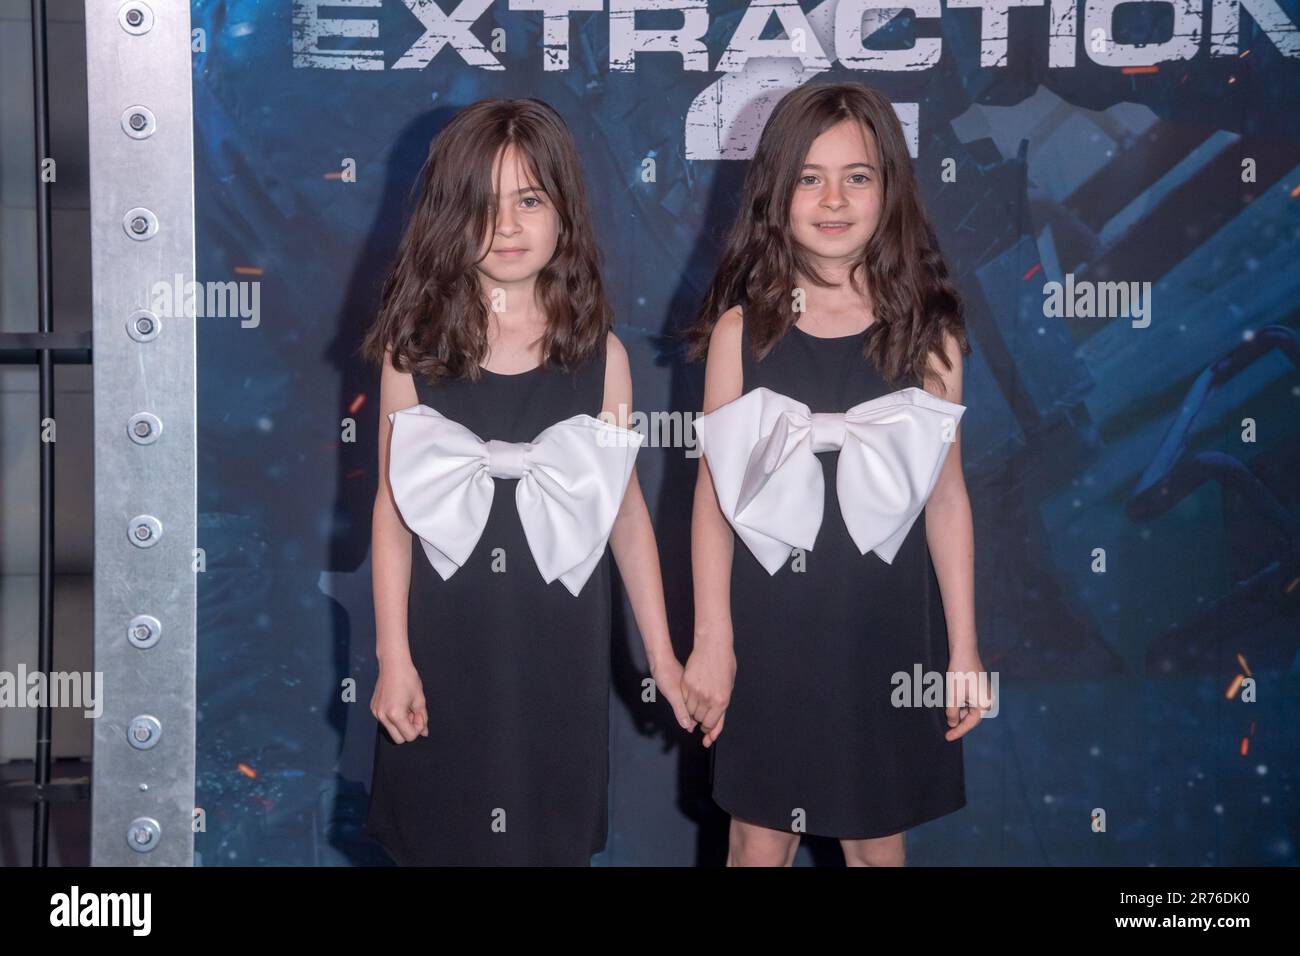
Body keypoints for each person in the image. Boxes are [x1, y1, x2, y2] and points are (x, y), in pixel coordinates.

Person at [358, 98, 691, 866]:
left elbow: (625, 512)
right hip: (444, 649)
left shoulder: (600, 354)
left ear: (564, 213)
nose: (506, 226)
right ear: (450, 215)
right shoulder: (412, 351)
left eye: (530, 200)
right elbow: (391, 511)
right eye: (485, 204)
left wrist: (664, 657)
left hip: (559, 654)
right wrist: (394, 658)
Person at [683, 81, 987, 867]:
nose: (833, 199)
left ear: (889, 189)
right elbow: (714, 500)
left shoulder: (931, 332)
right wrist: (713, 640)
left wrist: (962, 650)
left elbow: (947, 499)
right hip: (768, 628)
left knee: (877, 839)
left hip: (885, 633)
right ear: (777, 193)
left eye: (857, 176)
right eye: (810, 177)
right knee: (756, 837)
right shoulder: (740, 332)